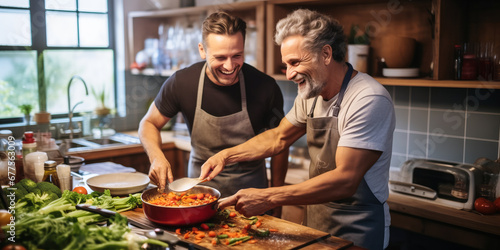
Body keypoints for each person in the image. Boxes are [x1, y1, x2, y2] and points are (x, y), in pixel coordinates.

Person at [200, 9, 395, 250]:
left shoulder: (368, 98)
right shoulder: (311, 93)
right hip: (317, 221)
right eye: (286, 65)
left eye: (295, 62)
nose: (290, 74)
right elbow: (278, 137)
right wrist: (225, 156)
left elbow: (345, 180)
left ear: (325, 54)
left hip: (358, 228)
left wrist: (268, 197)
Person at [138, 11, 289, 210]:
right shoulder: (182, 83)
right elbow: (148, 123)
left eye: (237, 55)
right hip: (198, 197)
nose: (229, 66)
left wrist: (274, 198)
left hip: (252, 199)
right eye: (220, 57)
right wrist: (156, 156)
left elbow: (281, 142)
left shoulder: (265, 87)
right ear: (202, 50)